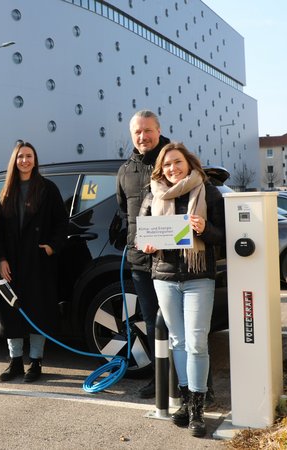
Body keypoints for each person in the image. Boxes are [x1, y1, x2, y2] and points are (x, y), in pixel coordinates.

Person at [139, 142, 226, 437]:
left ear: (188, 163)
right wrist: (146, 245)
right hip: (164, 277)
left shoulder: (207, 191)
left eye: (177, 162)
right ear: (160, 169)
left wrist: (205, 229)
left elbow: (223, 237)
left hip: (199, 276)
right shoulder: (153, 194)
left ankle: (198, 410)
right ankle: (187, 402)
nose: (173, 169)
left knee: (197, 342)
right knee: (176, 340)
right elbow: (141, 237)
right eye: (167, 164)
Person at [0, 141, 68, 383]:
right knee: (12, 312)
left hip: (38, 262)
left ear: (35, 160)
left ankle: (35, 363)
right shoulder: (7, 191)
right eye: (20, 157)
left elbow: (61, 222)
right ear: (14, 161)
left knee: (38, 311)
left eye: (29, 156)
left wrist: (51, 247)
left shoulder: (48, 188)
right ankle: (15, 361)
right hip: (12, 263)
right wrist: (1, 259)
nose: (25, 160)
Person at [116, 109, 170, 398]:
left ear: (158, 130)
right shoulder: (126, 170)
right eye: (137, 132)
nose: (142, 136)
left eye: (147, 130)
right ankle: (159, 377)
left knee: (179, 322)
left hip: (173, 259)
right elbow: (125, 211)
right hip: (140, 260)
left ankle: (188, 382)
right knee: (151, 321)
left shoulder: (173, 162)